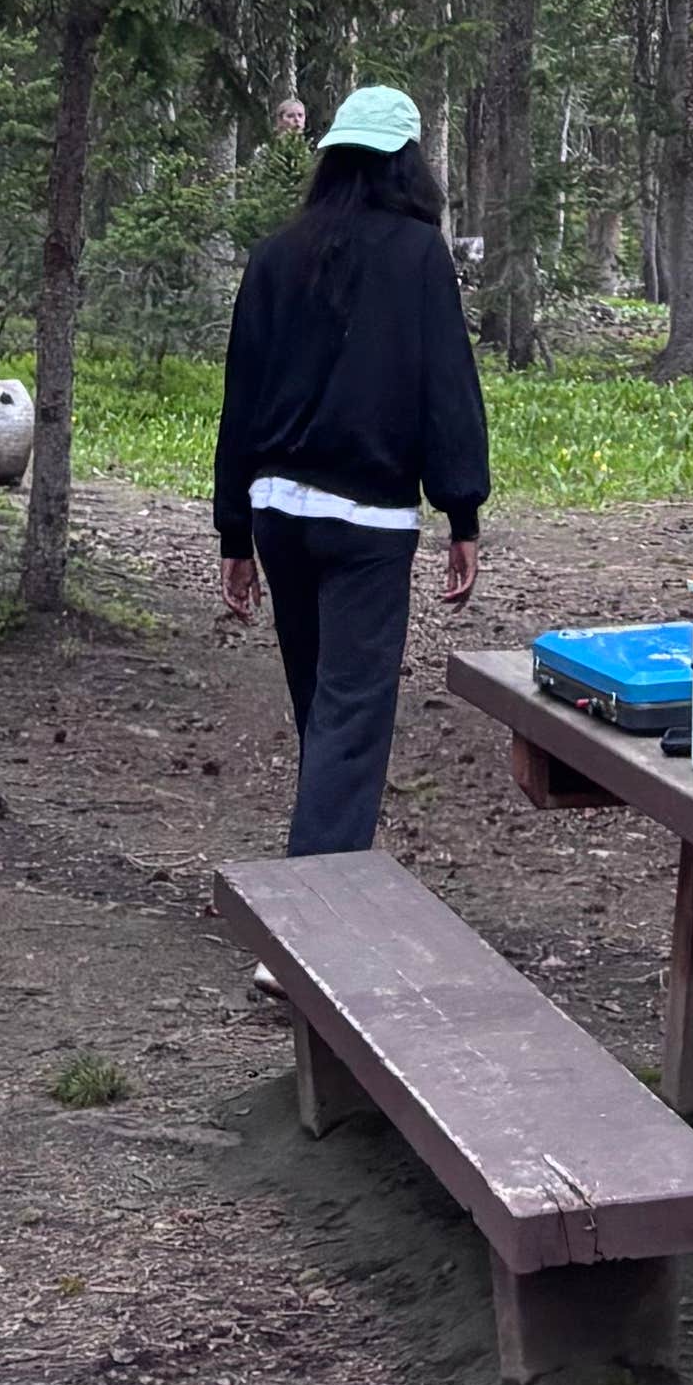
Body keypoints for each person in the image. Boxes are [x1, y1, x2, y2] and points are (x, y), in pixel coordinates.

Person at [213, 83, 489, 857]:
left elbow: (241, 400)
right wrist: (461, 513)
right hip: (366, 523)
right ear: (407, 163)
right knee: (350, 716)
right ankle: (310, 927)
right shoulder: (417, 255)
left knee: (321, 708)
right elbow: (448, 390)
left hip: (279, 516)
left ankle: (317, 880)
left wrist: (235, 532)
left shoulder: (275, 256)